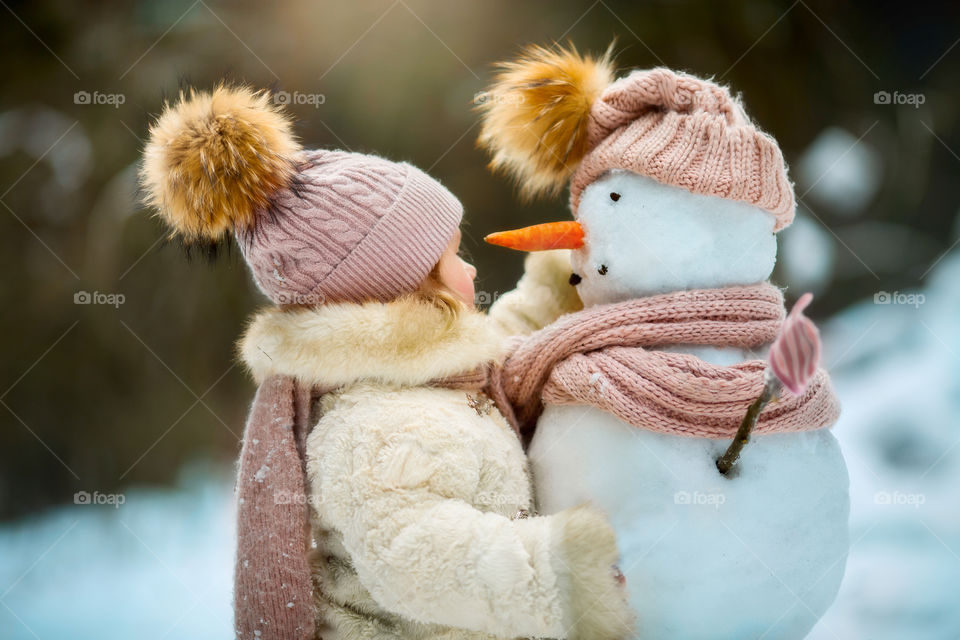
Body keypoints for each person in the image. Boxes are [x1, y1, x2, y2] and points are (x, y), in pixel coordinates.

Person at [140, 84, 633, 640]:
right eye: (452, 258)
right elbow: (411, 555)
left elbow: (500, 344)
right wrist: (562, 573)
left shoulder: (420, 378)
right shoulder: (372, 423)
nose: (471, 271)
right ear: (400, 286)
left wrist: (553, 284)